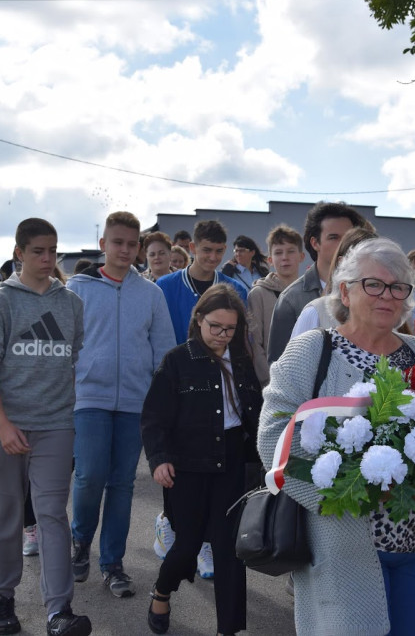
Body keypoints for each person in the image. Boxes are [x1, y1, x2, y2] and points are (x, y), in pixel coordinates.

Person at [259, 237, 415, 636]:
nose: (388, 296)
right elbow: (273, 438)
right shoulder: (313, 350)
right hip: (344, 542)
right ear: (345, 291)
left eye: (399, 287)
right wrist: (347, 494)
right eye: (374, 284)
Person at [0, 217, 90, 636]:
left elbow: (70, 360)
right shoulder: (1, 303)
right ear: (19, 252)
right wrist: (2, 424)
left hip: (56, 426)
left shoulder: (71, 304)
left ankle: (59, 611)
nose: (47, 258)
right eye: (38, 251)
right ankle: (4, 597)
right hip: (5, 426)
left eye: (53, 251)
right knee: (5, 516)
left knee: (52, 515)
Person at [142, 284, 262, 636]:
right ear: (198, 320)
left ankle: (230, 629)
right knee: (188, 544)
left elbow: (254, 413)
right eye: (215, 327)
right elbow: (153, 418)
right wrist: (160, 460)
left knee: (229, 548)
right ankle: (162, 591)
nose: (223, 335)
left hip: (233, 461)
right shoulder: (177, 360)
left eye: (230, 328)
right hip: (188, 464)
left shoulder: (241, 359)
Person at [67, 212, 176, 599]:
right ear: (103, 245)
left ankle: (112, 563)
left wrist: (160, 402)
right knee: (90, 474)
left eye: (133, 244)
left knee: (122, 484)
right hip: (88, 398)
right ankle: (79, 542)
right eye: (118, 242)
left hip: (135, 402)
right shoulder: (76, 289)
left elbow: (163, 351)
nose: (126, 250)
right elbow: (63, 346)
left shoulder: (151, 294)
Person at [154, 219, 248, 578]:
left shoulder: (235, 288)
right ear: (192, 248)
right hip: (178, 386)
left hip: (219, 390)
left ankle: (205, 544)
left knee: (214, 473)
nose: (212, 257)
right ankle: (169, 522)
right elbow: (160, 336)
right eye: (205, 250)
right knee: (176, 469)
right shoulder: (165, 287)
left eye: (218, 251)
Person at [266, 201, 368, 364]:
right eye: (334, 237)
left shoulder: (370, 291)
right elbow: (279, 366)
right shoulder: (291, 299)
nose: (343, 244)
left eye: (348, 237)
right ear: (315, 243)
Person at [246, 224, 304, 385]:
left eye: (291, 251)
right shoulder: (259, 294)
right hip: (272, 382)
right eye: (278, 252)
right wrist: (268, 379)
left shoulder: (310, 293)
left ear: (301, 256)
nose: (285, 257)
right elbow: (254, 344)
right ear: (270, 260)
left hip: (305, 379)